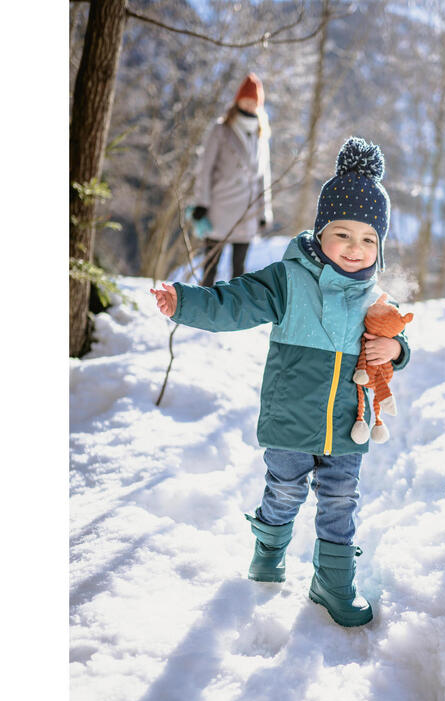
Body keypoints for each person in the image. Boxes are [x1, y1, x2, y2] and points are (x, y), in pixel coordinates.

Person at [151, 137, 411, 628]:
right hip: (291, 419)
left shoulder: (377, 299)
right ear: (320, 233)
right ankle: (268, 553)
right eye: (344, 234)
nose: (356, 249)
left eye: (369, 239)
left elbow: (397, 344)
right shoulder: (288, 280)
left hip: (348, 425)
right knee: (285, 491)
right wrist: (184, 302)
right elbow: (233, 302)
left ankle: (332, 582)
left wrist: (395, 350)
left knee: (340, 501)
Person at [190, 73, 273, 286]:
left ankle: (234, 314)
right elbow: (205, 168)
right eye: (246, 99)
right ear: (237, 101)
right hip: (219, 208)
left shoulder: (261, 136)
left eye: (254, 101)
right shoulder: (221, 130)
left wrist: (264, 212)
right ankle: (204, 309)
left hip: (247, 212)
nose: (249, 104)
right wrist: (201, 202)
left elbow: (264, 176)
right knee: (211, 265)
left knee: (239, 270)